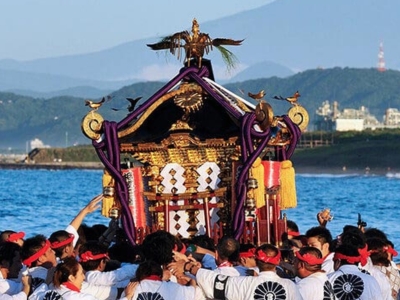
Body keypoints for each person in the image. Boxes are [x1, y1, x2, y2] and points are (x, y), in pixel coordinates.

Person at [169, 243, 303, 300]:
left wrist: (188, 267)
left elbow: (215, 281)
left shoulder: (244, 282)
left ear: (257, 260)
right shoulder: (289, 286)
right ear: (278, 262)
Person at [52, 257, 135, 300]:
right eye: (81, 274)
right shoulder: (81, 298)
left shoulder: (51, 290)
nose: (84, 277)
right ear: (71, 278)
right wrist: (127, 296)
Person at [131, 260, 205, 300]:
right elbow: (193, 291)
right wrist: (190, 279)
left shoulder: (131, 289)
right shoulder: (174, 288)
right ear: (160, 274)